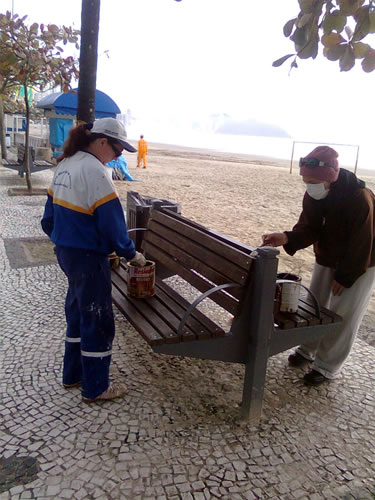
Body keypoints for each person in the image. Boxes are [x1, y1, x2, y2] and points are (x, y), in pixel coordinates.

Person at [41, 117, 146, 403]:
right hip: (88, 258)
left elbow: (48, 219)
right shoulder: (96, 171)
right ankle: (96, 387)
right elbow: (113, 225)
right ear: (102, 142)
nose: (118, 156)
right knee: (97, 318)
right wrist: (131, 254)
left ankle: (72, 374)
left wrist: (65, 239)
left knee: (76, 312)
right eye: (117, 150)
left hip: (67, 254)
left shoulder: (66, 164)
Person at [262, 146, 375, 385]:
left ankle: (326, 367)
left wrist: (345, 277)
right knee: (315, 303)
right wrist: (287, 237)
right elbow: (309, 227)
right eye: (305, 180)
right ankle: (306, 350)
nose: (308, 185)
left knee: (343, 314)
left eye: (312, 181)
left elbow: (363, 242)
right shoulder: (314, 195)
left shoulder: (359, 197)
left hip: (362, 262)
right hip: (328, 255)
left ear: (330, 178)